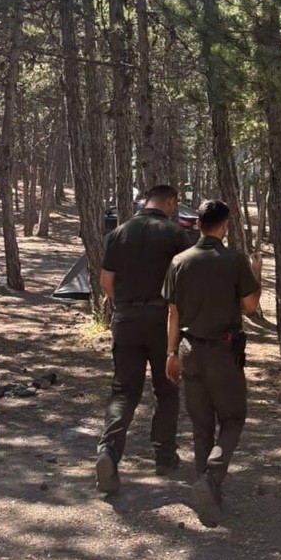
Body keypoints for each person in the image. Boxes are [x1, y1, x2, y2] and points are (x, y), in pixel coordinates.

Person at [163, 200, 261, 527]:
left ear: (201, 224)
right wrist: (256, 274)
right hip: (223, 351)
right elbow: (249, 306)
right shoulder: (234, 261)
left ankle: (206, 494)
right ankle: (211, 479)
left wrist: (171, 353)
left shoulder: (179, 261)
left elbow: (173, 313)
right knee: (233, 418)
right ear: (224, 225)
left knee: (201, 426)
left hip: (189, 349)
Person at [95, 184, 193, 495]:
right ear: (170, 202)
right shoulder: (176, 234)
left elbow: (106, 281)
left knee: (124, 392)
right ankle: (164, 456)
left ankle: (108, 452)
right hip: (163, 321)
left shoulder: (119, 232)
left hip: (125, 319)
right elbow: (185, 281)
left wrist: (123, 306)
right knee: (166, 390)